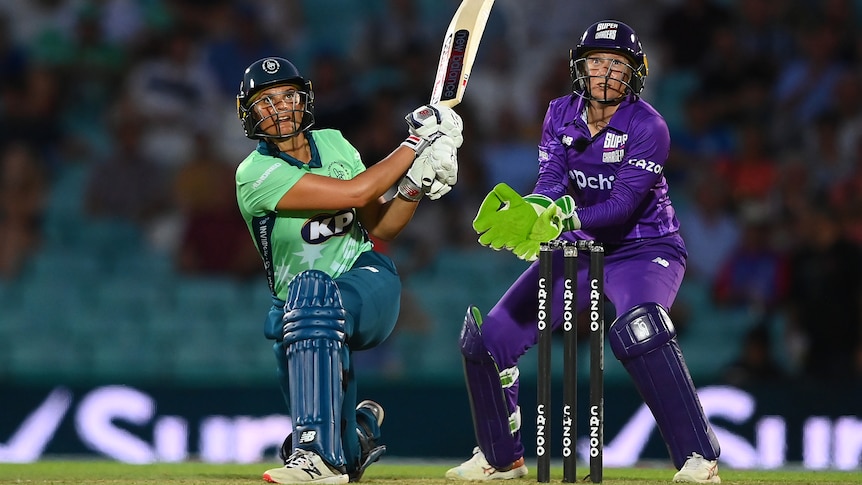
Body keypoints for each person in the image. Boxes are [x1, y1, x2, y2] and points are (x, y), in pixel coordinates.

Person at [447, 21, 721, 483]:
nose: (605, 71)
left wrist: (564, 218)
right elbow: (552, 178)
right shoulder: (559, 112)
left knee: (640, 329)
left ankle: (700, 457)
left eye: (617, 63)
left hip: (644, 246)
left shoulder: (649, 125)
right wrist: (536, 208)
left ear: (634, 73)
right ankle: (501, 458)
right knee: (489, 340)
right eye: (596, 61)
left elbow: (622, 205)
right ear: (580, 66)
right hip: (580, 243)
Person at [234, 56, 462, 484]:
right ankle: (355, 434)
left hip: (365, 281)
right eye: (266, 101)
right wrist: (417, 143)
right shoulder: (254, 173)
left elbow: (381, 226)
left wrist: (414, 187)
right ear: (248, 113)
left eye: (287, 96)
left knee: (312, 292)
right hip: (299, 316)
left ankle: (314, 456)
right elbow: (357, 192)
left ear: (304, 100)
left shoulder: (335, 143)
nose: (279, 108)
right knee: (344, 457)